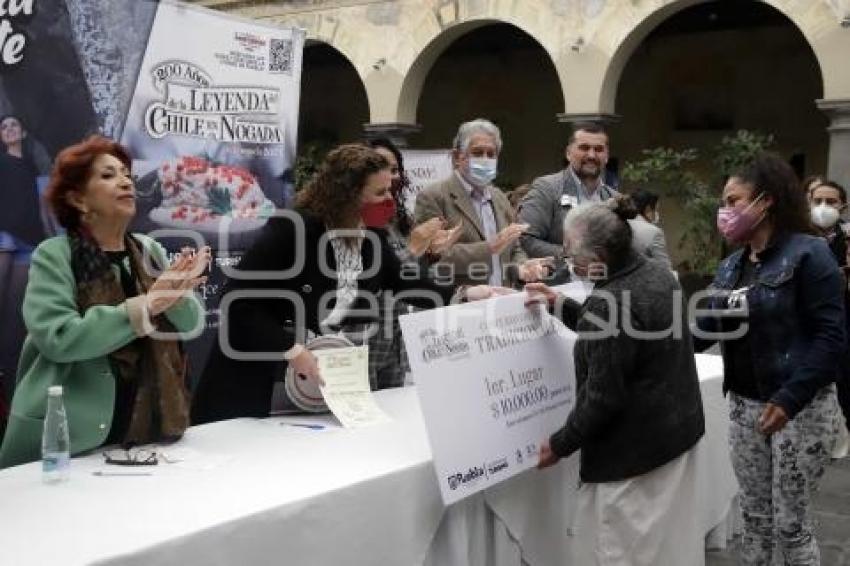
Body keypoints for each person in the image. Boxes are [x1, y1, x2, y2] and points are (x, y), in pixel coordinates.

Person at [191, 144, 490, 424]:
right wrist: (291, 349)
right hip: (260, 383)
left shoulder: (372, 237)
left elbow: (406, 281)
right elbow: (237, 302)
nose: (389, 200)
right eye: (379, 193)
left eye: (390, 190)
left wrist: (465, 294)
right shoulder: (293, 229)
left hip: (319, 390)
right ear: (348, 195)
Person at [0, 135, 208, 468]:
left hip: (144, 433)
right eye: (108, 175)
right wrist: (149, 305)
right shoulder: (54, 255)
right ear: (78, 200)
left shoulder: (147, 249)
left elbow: (193, 323)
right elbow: (59, 338)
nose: (125, 181)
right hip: (67, 442)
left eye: (127, 174)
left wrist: (176, 296)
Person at [526, 195, 705, 565]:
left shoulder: (609, 301)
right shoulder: (655, 272)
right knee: (664, 549)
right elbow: (623, 336)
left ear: (600, 258)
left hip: (632, 457)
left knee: (621, 552)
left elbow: (603, 398)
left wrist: (559, 445)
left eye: (571, 253)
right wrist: (561, 304)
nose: (567, 260)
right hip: (672, 440)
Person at [697, 154, 844, 565]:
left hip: (800, 408)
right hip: (745, 408)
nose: (725, 212)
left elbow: (831, 338)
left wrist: (789, 399)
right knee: (754, 520)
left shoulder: (810, 255)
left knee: (792, 527)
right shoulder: (731, 267)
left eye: (733, 200)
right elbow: (702, 328)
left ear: (766, 201)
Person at [366, 137, 461, 388]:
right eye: (380, 166)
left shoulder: (398, 219)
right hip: (364, 341)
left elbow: (410, 278)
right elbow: (381, 275)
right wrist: (414, 248)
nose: (389, 176)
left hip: (395, 339)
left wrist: (429, 253)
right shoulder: (356, 222)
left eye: (395, 170)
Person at [414, 118, 549, 289]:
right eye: (477, 153)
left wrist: (522, 267)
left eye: (491, 154)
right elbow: (433, 256)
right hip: (460, 304)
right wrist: (490, 247)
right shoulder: (433, 197)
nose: (485, 159)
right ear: (457, 157)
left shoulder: (499, 197)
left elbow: (514, 248)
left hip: (502, 301)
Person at [518, 122, 618, 260]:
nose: (591, 155)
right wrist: (572, 256)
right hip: (559, 279)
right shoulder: (547, 188)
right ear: (568, 153)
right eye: (584, 148)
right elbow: (526, 239)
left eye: (599, 149)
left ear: (606, 156)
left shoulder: (614, 198)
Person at [807, 180, 850, 429]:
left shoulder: (846, 239)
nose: (823, 206)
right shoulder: (797, 239)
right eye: (817, 200)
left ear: (842, 206)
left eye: (831, 201)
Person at [0, 114, 53, 247]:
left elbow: (38, 201)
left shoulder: (31, 166)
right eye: (4, 127)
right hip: (6, 234)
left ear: (23, 133)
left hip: (31, 237)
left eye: (14, 125)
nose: (9, 129)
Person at [628, 188, 672, 269]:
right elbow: (664, 267)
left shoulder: (619, 223)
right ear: (648, 209)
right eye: (656, 210)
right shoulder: (653, 232)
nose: (656, 214)